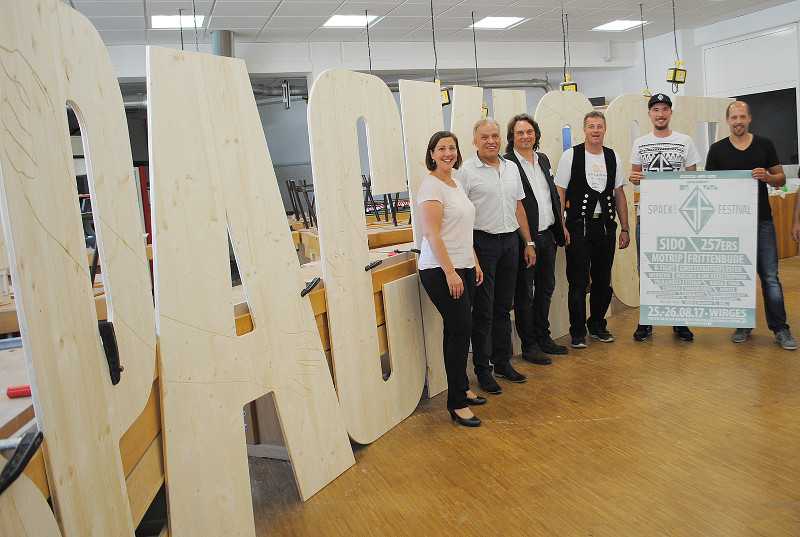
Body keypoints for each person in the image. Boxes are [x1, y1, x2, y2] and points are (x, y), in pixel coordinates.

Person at [706, 101, 796, 351]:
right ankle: (743, 324)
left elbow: (781, 178)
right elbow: (708, 186)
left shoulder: (764, 144)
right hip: (731, 225)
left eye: (742, 116)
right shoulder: (717, 150)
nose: (738, 121)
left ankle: (780, 328)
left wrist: (768, 177)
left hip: (762, 221)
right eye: (733, 117)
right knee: (738, 277)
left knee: (770, 277)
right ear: (727, 120)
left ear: (749, 119)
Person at [457, 119, 536, 395]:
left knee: (504, 307)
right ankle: (483, 370)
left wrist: (528, 242)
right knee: (484, 311)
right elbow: (460, 216)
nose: (491, 141)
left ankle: (502, 362)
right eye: (485, 137)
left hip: (510, 243)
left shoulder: (511, 167)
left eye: (495, 136)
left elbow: (518, 208)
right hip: (483, 244)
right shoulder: (466, 172)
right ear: (474, 141)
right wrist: (471, 254)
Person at [417, 131, 487, 427]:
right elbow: (432, 235)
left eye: (452, 148)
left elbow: (463, 228)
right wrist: (450, 272)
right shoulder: (431, 187)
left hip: (464, 265)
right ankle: (456, 403)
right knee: (460, 330)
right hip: (440, 269)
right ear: (432, 154)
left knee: (460, 330)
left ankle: (461, 387)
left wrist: (474, 262)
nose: (447, 153)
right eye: (441, 148)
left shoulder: (455, 182)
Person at [628, 93, 700, 343]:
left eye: (664, 109)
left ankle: (679, 321)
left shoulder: (685, 141)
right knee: (647, 269)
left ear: (671, 113)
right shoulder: (640, 143)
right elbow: (634, 175)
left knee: (677, 268)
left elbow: (694, 179)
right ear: (650, 114)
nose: (660, 114)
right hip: (647, 215)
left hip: (677, 217)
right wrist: (634, 178)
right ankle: (645, 321)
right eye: (655, 109)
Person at [555, 111, 630, 349]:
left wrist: (625, 228)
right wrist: (561, 225)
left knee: (602, 280)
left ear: (604, 129)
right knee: (577, 282)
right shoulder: (570, 156)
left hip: (605, 226)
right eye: (591, 126)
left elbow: (619, 193)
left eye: (599, 126)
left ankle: (597, 325)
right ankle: (577, 331)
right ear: (584, 129)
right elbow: (560, 192)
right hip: (578, 227)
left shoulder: (613, 156)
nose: (595, 130)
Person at [505, 114, 568, 364]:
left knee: (546, 289)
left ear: (536, 135)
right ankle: (529, 345)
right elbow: (515, 204)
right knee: (525, 294)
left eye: (529, 132)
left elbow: (552, 194)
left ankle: (544, 337)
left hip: (548, 235)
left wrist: (561, 225)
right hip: (525, 241)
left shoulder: (542, 159)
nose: (525, 136)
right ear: (512, 138)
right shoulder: (507, 164)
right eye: (520, 133)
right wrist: (527, 241)